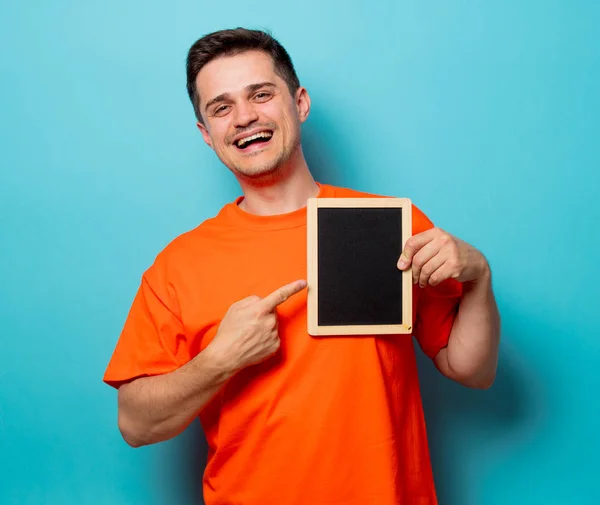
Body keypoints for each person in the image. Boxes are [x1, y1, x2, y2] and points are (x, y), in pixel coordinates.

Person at [103, 27, 500, 505]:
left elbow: (470, 369)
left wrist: (478, 276)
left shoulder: (390, 223)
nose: (245, 117)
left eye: (261, 94)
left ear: (300, 103)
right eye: (222, 107)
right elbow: (136, 424)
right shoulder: (179, 265)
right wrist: (220, 360)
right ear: (207, 135)